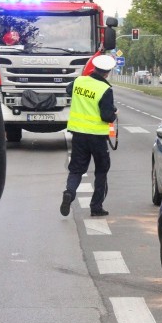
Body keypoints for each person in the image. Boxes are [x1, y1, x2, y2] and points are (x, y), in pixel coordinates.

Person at [60, 54, 118, 217]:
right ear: (107, 72)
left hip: (78, 134)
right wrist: (113, 113)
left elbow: (68, 90)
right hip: (97, 137)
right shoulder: (105, 89)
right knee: (101, 170)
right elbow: (106, 116)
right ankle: (96, 206)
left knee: (76, 169)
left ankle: (69, 192)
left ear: (94, 68)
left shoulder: (79, 81)